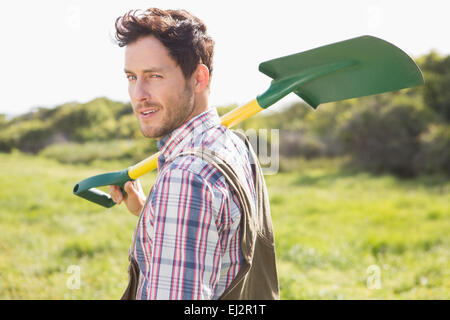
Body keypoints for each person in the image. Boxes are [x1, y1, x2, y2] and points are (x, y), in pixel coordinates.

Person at [109, 8, 279, 300]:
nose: (138, 94)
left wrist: (172, 204)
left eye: (154, 76)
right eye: (131, 77)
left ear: (199, 78)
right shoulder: (236, 145)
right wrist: (153, 213)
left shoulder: (185, 178)